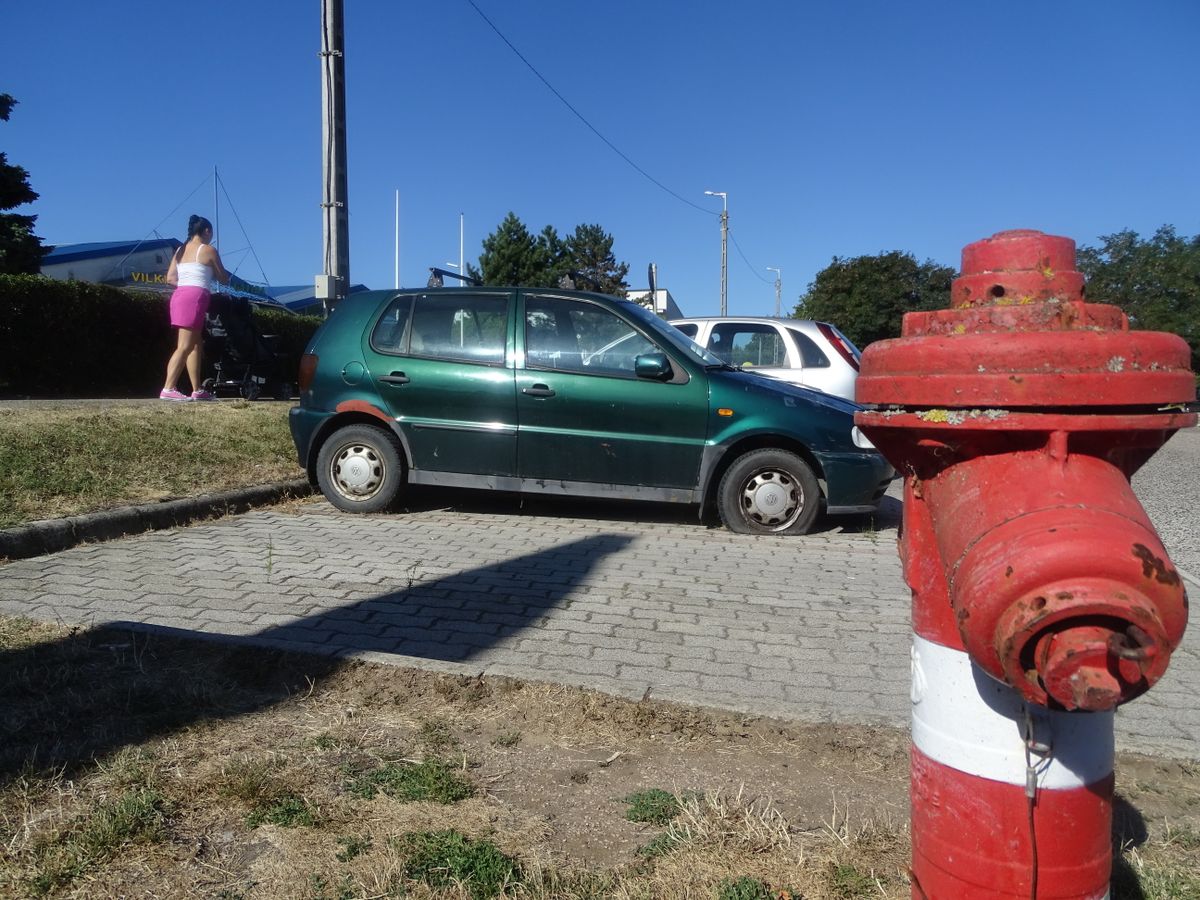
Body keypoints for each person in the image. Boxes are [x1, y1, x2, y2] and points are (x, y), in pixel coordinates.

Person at [160, 214, 231, 401]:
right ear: (206, 231)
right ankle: (168, 388)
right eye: (211, 233)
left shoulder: (180, 251)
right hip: (195, 297)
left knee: (195, 344)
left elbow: (170, 279)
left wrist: (189, 282)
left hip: (180, 295)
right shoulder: (208, 250)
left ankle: (197, 390)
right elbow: (224, 277)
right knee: (184, 346)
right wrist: (208, 279)